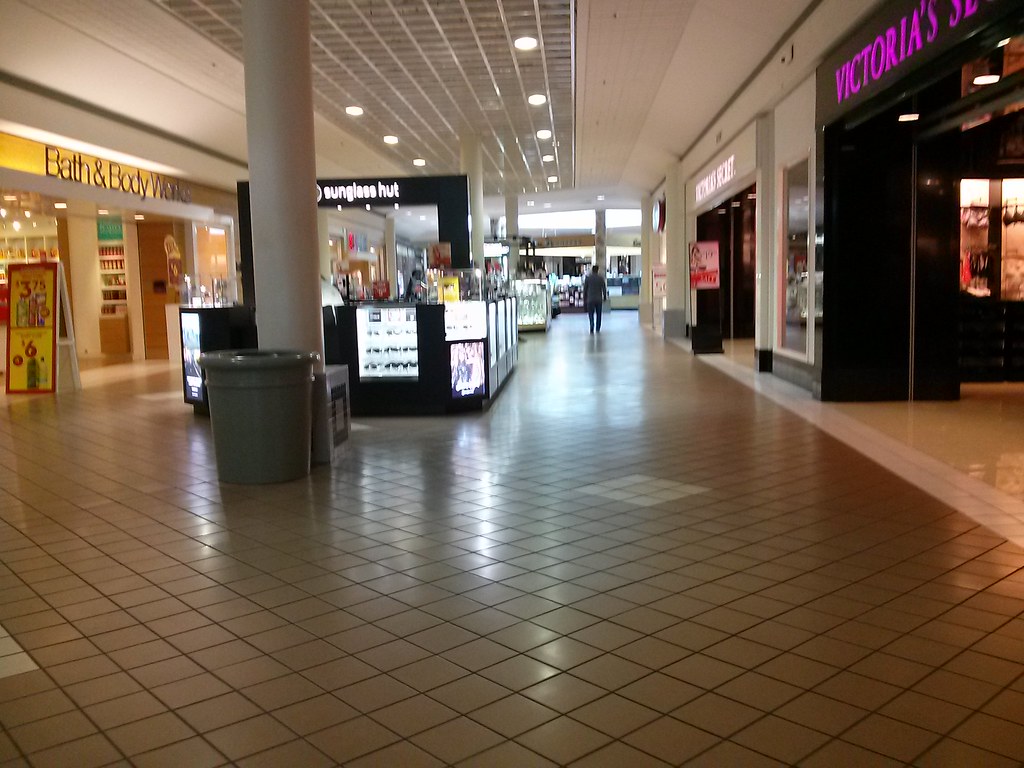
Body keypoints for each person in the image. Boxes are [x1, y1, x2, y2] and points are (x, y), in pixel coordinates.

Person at [582, 264, 608, 333]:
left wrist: (584, 298)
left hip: (590, 299)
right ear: (597, 270)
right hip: (598, 299)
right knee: (599, 314)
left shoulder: (588, 278)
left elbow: (585, 289)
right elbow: (604, 288)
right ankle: (597, 328)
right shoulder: (600, 278)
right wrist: (605, 297)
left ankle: (592, 324)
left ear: (592, 270)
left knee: (591, 313)